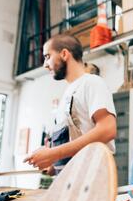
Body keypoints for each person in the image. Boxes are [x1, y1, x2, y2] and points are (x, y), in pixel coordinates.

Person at [25, 35, 117, 173]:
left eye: (47, 56)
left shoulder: (91, 82)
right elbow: (69, 145)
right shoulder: (67, 94)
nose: (45, 65)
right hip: (72, 180)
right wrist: (52, 165)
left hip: (92, 178)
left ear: (64, 54)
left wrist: (53, 153)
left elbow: (107, 129)